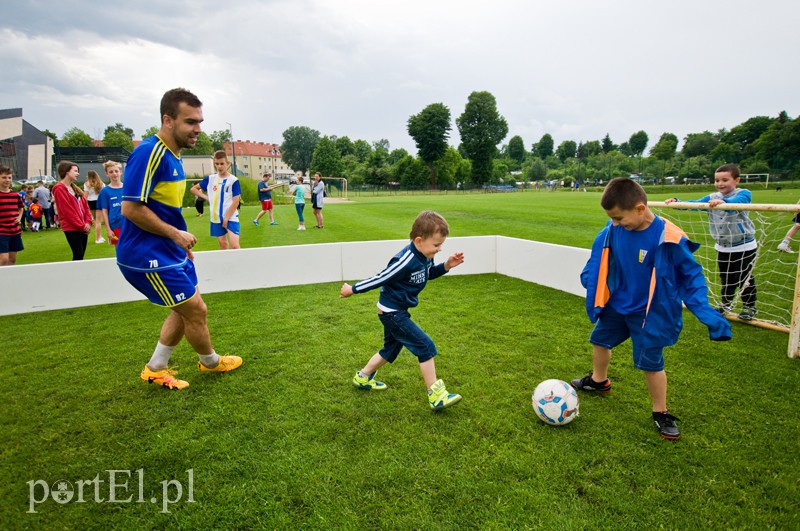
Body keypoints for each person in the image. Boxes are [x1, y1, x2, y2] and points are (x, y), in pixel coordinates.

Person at [573, 177, 731, 440]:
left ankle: (661, 412)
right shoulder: (613, 228)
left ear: (640, 209)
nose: (615, 223)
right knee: (599, 340)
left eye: (619, 218)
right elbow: (599, 254)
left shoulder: (668, 237)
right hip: (617, 306)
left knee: (651, 363)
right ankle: (599, 381)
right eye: (611, 218)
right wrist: (590, 277)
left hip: (648, 314)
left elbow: (690, 276)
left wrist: (704, 310)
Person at [116, 87, 242, 390]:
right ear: (168, 120)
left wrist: (177, 243)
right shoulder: (150, 152)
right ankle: (210, 362)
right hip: (144, 253)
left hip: (168, 249)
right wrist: (175, 234)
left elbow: (165, 210)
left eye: (199, 121)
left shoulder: (173, 156)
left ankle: (156, 367)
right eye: (190, 122)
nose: (198, 129)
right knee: (195, 309)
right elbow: (131, 208)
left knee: (183, 306)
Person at [340, 210, 465, 410]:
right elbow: (380, 278)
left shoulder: (425, 256)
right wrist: (352, 289)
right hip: (392, 313)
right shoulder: (405, 260)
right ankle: (436, 395)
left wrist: (447, 266)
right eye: (436, 245)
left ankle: (363, 377)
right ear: (418, 241)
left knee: (390, 349)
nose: (439, 249)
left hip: (396, 311)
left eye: (441, 245)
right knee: (425, 346)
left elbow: (427, 274)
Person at [664, 163, 758, 320]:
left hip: (744, 246)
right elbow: (695, 204)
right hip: (723, 247)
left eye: (725, 180)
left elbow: (738, 202)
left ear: (737, 180)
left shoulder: (744, 193)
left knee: (744, 277)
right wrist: (677, 202)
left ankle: (749, 306)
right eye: (717, 180)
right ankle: (725, 304)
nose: (720, 184)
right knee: (726, 277)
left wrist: (725, 204)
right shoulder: (712, 197)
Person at [190, 150, 241, 250]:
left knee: (235, 245)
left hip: (231, 217)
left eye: (222, 164)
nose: (219, 166)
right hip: (216, 216)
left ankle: (239, 264)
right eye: (216, 164)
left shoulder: (233, 180)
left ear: (227, 163)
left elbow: (236, 201)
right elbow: (193, 189)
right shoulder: (210, 179)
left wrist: (226, 218)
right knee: (223, 244)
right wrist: (206, 197)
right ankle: (226, 265)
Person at [52, 161, 92, 261]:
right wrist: (82, 226)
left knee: (81, 254)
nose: (77, 173)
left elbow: (85, 207)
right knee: (78, 254)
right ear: (66, 172)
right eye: (75, 171)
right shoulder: (59, 189)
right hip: (71, 227)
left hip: (83, 226)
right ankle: (76, 275)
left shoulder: (75, 188)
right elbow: (67, 211)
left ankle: (79, 275)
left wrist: (88, 222)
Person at [0, 164, 24, 265]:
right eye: (4, 177)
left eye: (9, 177)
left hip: (14, 231)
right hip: (1, 231)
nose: (7, 180)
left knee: (12, 259)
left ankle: (8, 280)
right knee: (4, 259)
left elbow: (21, 207)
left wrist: (19, 217)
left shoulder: (15, 195)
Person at [97, 160, 124, 245]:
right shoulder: (105, 191)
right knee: (119, 252)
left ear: (120, 172)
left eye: (116, 171)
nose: (114, 174)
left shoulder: (128, 187)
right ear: (107, 174)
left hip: (129, 224)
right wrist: (108, 229)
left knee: (133, 250)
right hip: (115, 225)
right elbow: (104, 211)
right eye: (111, 172)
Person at [84, 170, 105, 243]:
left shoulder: (87, 184)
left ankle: (99, 236)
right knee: (98, 221)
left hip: (91, 202)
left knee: (96, 220)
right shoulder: (101, 183)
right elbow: (103, 194)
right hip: (99, 202)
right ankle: (98, 238)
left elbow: (85, 196)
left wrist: (84, 204)